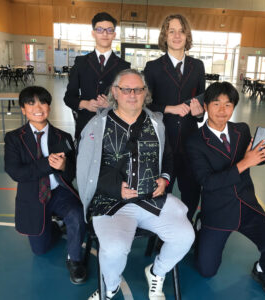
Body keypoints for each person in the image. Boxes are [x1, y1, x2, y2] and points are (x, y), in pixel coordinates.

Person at [77, 69, 194, 300]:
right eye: (126, 89)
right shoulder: (97, 125)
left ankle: (156, 272)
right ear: (115, 92)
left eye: (138, 89)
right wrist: (114, 187)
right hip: (111, 202)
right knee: (113, 248)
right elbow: (86, 169)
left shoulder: (156, 123)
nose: (132, 94)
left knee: (185, 236)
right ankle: (110, 287)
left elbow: (168, 157)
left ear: (145, 93)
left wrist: (166, 178)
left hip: (152, 199)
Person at [186, 81, 265, 299]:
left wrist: (260, 155)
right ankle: (202, 226)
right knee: (206, 270)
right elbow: (207, 182)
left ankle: (263, 273)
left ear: (234, 107)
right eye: (216, 104)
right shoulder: (195, 141)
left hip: (246, 204)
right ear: (205, 106)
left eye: (228, 104)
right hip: (218, 209)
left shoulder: (241, 129)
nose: (222, 110)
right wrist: (245, 162)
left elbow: (255, 161)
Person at [4, 86, 87, 284]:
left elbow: (72, 174)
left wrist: (64, 166)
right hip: (33, 195)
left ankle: (75, 260)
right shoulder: (14, 139)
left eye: (43, 102)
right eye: (31, 103)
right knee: (40, 250)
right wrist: (46, 164)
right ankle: (57, 227)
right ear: (23, 110)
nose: (38, 107)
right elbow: (15, 172)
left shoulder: (63, 137)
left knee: (77, 215)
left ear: (49, 107)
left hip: (59, 192)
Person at [144, 14, 205, 221]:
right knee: (161, 189)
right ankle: (163, 231)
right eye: (172, 31)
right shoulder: (153, 67)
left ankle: (186, 226)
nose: (177, 35)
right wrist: (170, 108)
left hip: (190, 141)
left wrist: (200, 113)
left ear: (187, 36)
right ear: (165, 36)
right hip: (163, 140)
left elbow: (202, 100)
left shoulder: (197, 66)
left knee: (191, 190)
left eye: (181, 31)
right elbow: (145, 104)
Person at [64, 12, 130, 139]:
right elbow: (69, 97)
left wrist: (112, 105)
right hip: (86, 125)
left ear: (114, 35)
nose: (105, 34)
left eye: (109, 30)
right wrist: (85, 104)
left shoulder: (123, 66)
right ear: (93, 33)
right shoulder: (81, 62)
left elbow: (129, 99)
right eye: (100, 30)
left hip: (114, 126)